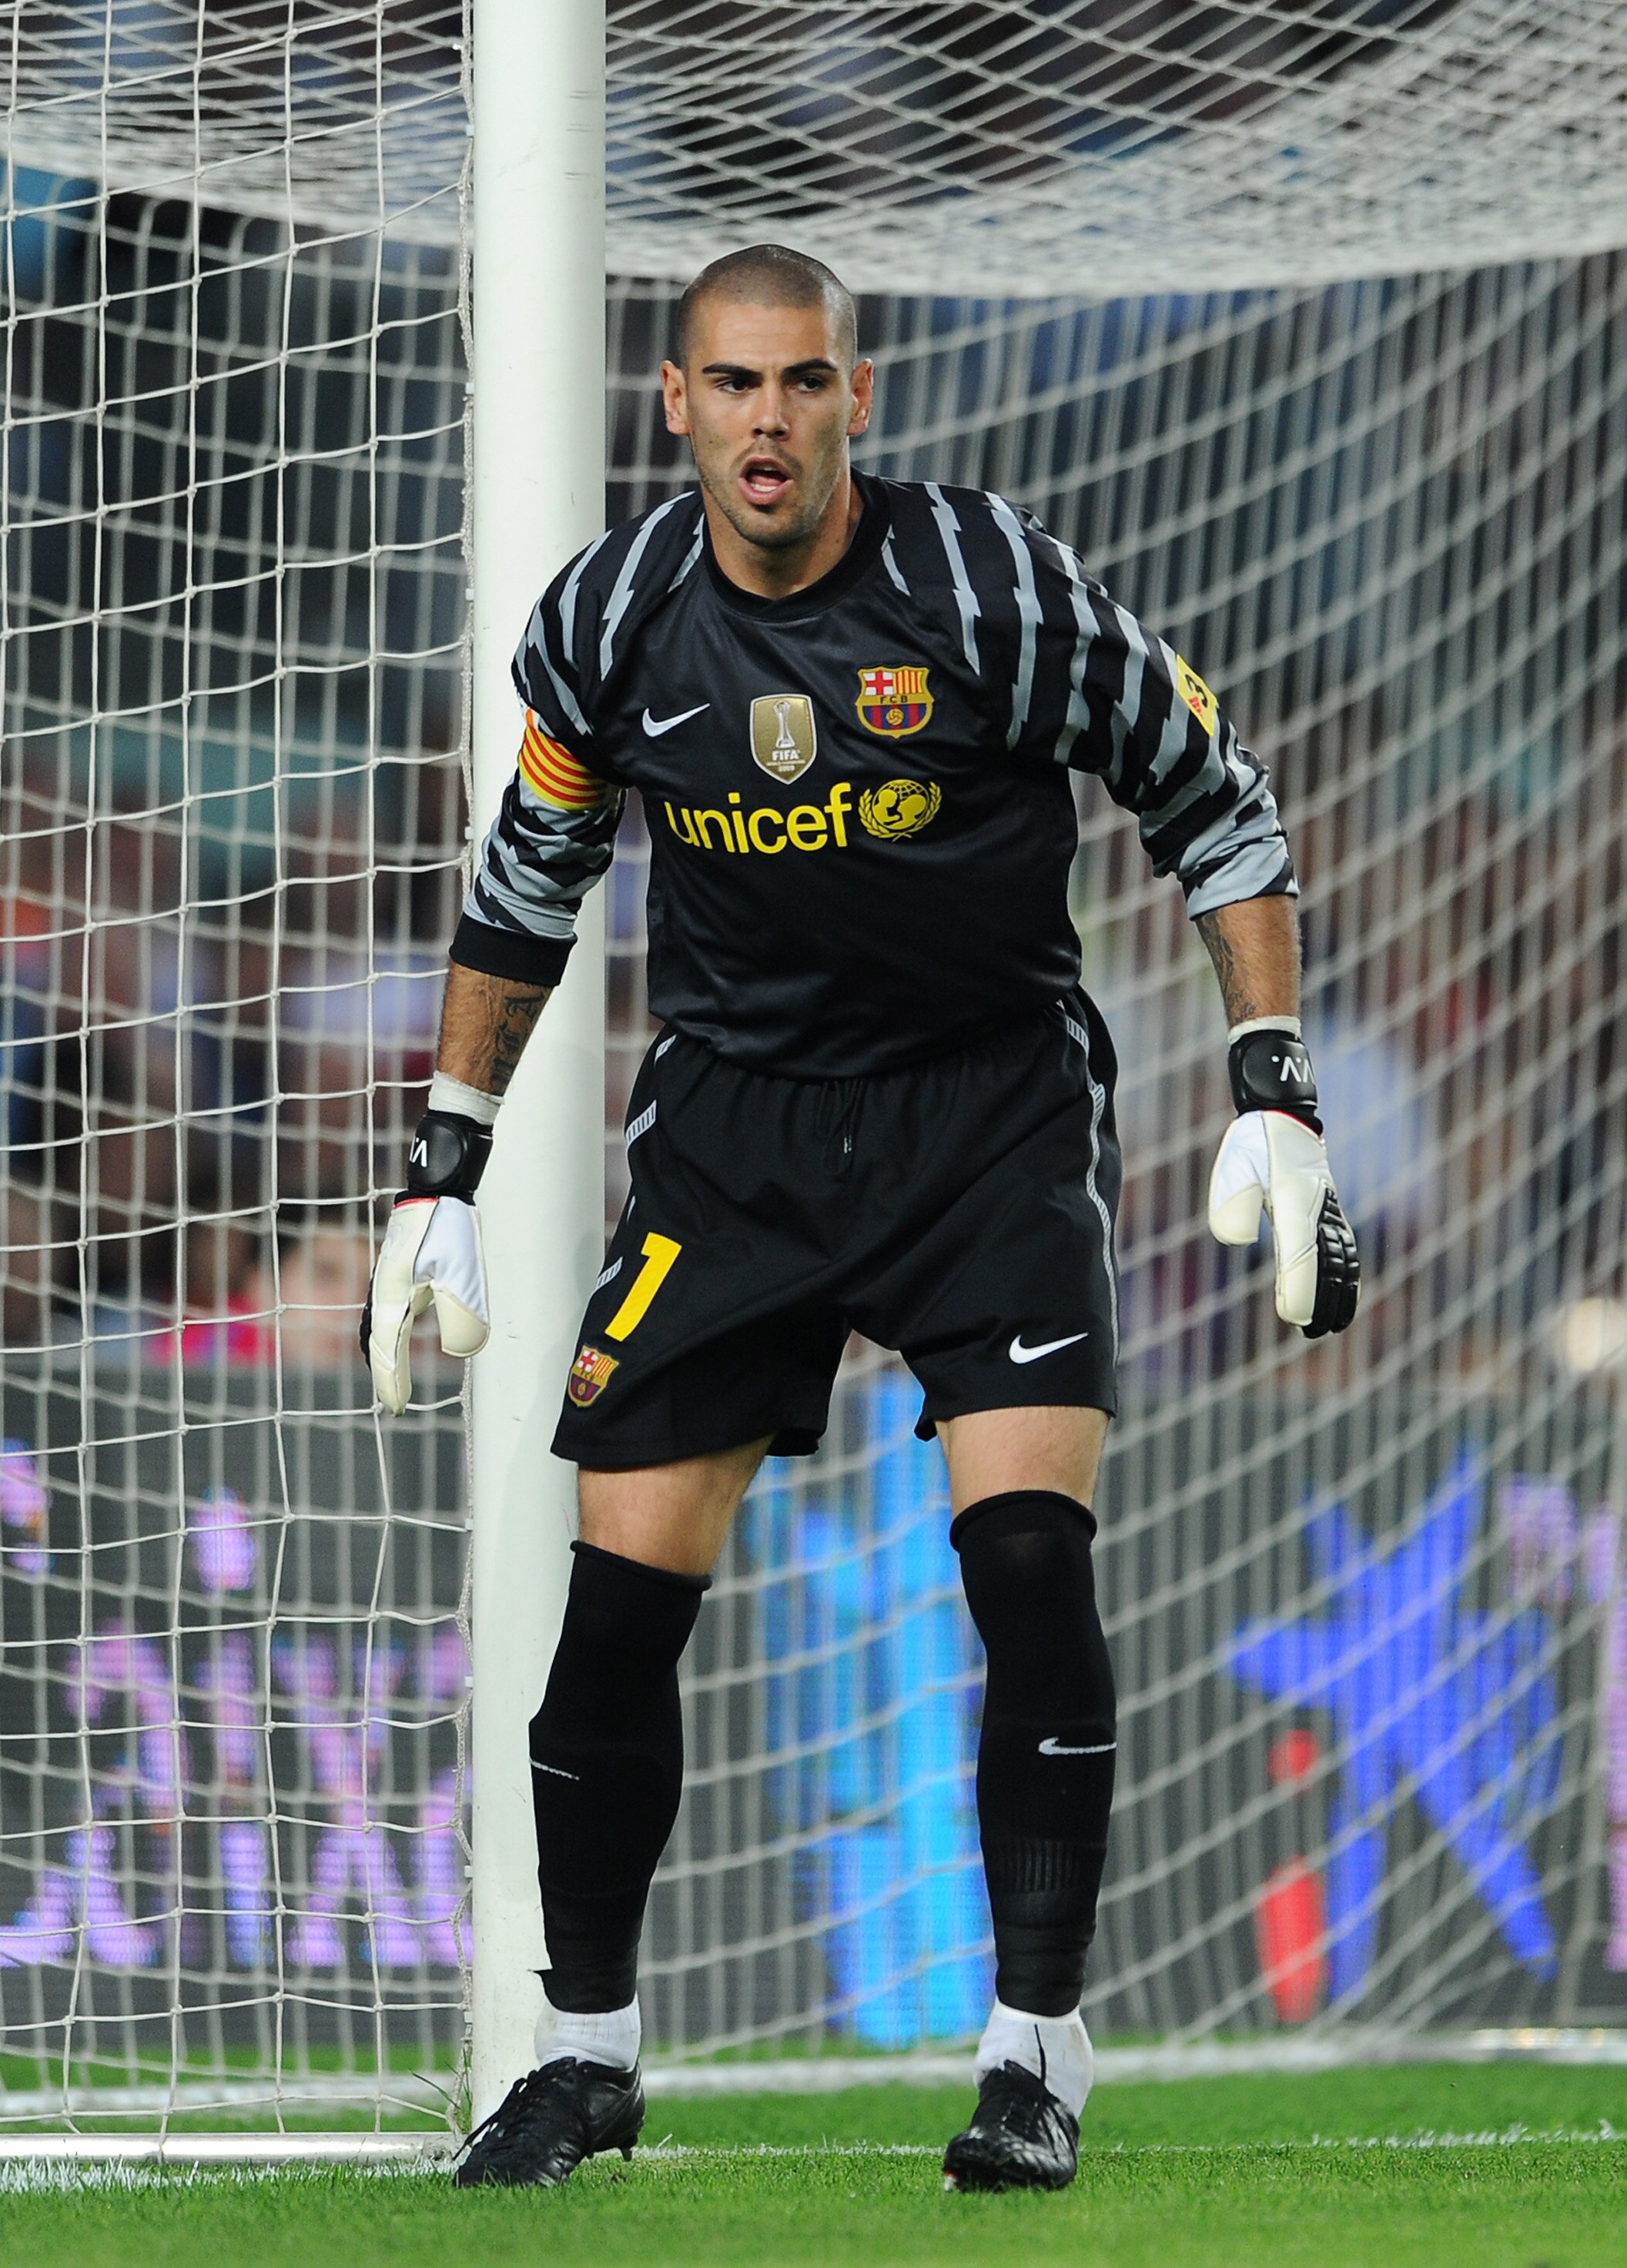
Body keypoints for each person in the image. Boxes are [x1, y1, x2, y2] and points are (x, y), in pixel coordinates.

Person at [362, 244, 1359, 2193]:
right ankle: (583, 2061)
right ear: (676, 404)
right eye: (732, 386)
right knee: (612, 1627)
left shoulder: (993, 585)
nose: (767, 421)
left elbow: (1217, 810)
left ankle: (1034, 2054)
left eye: (803, 385)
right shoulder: (608, 623)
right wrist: (444, 1165)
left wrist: (1274, 1083)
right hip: (733, 1142)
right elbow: (527, 884)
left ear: (856, 401)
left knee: (1027, 1573)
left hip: (987, 1119)